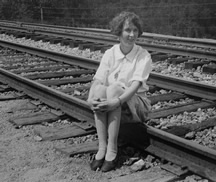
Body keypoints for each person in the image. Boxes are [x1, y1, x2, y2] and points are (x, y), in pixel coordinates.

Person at [87, 11, 152, 172]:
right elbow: (98, 79)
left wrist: (116, 101)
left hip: (137, 106)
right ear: (119, 32)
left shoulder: (143, 56)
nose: (132, 35)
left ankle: (112, 150)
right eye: (127, 30)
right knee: (100, 89)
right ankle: (102, 148)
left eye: (135, 30)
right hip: (113, 101)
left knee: (114, 88)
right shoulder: (110, 54)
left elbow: (135, 86)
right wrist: (90, 99)